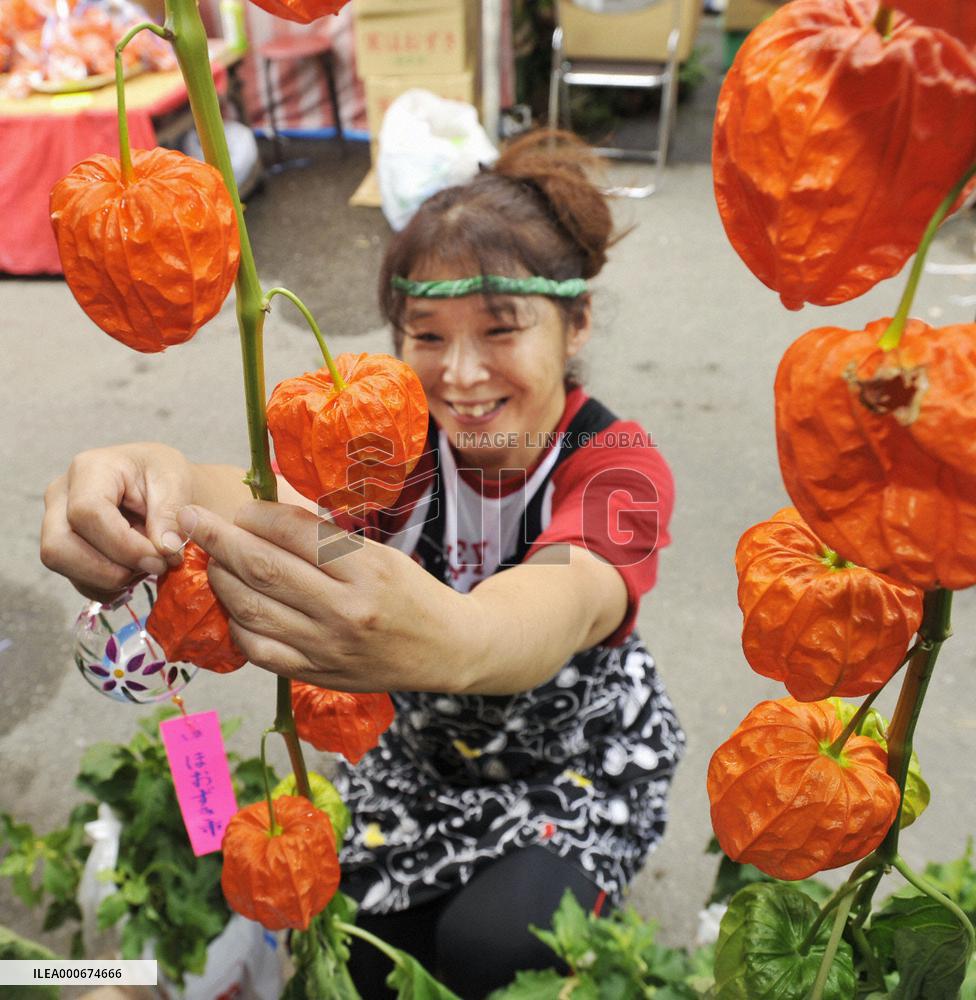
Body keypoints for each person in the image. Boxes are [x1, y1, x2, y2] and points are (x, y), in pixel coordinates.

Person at [39, 130, 684, 999]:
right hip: (417, 760)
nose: (461, 374)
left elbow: (565, 596)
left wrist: (459, 637)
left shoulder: (616, 467)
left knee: (495, 946)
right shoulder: (394, 447)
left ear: (577, 324)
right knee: (367, 955)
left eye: (501, 330)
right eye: (428, 335)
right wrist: (166, 478)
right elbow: (282, 513)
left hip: (570, 766)